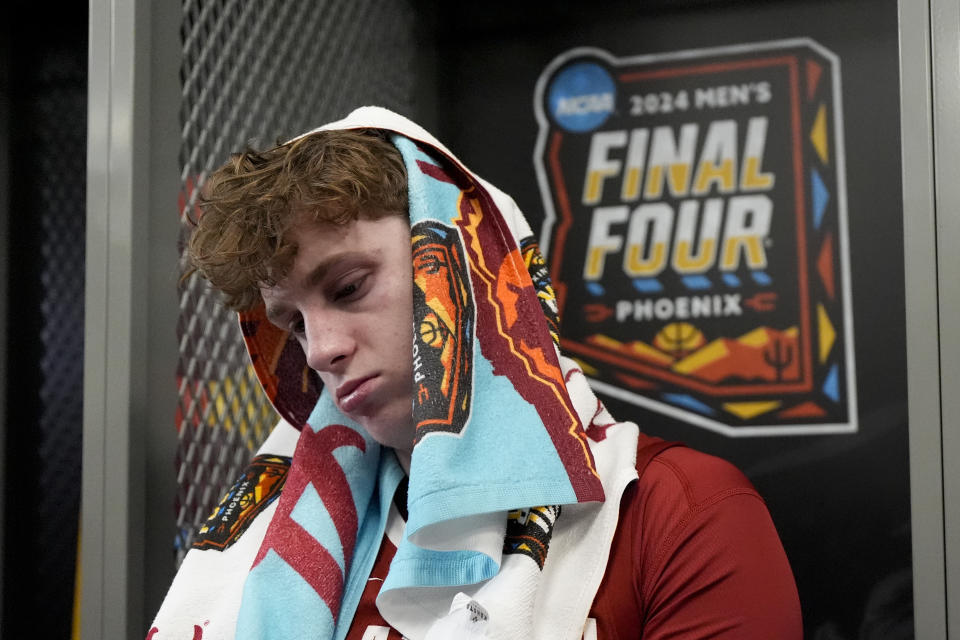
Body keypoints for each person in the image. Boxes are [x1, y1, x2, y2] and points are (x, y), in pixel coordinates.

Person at [150, 107, 802, 640]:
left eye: (348, 287)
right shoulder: (280, 545)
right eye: (292, 322)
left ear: (460, 266)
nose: (318, 350)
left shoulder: (673, 510)